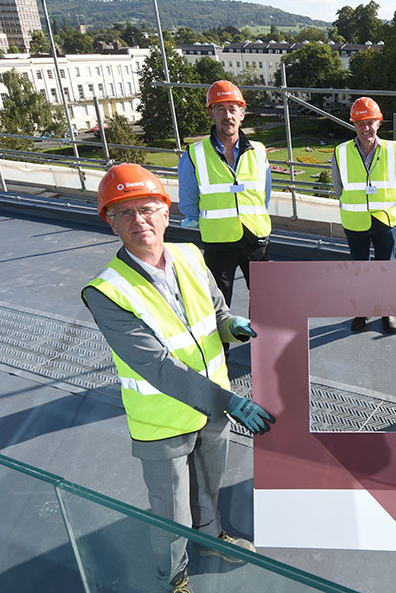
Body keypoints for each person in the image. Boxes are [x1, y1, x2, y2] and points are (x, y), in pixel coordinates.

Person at [82, 164, 275, 593]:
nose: (139, 220)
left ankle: (211, 539)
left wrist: (233, 327)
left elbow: (218, 314)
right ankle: (173, 578)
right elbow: (158, 366)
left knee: (209, 489)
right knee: (171, 514)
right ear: (111, 222)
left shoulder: (190, 256)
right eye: (125, 212)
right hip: (163, 421)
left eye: (147, 209)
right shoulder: (106, 291)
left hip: (212, 411)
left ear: (166, 213)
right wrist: (229, 401)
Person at [178, 80, 273, 310]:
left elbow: (265, 195)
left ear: (242, 113)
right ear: (211, 113)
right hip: (218, 242)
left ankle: (260, 334)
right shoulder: (194, 154)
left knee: (265, 300)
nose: (227, 115)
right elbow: (188, 203)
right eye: (220, 109)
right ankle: (223, 337)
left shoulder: (259, 151)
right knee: (218, 305)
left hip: (256, 239)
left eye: (232, 109)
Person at [332, 96, 396, 334]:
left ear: (379, 123)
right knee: (359, 269)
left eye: (370, 122)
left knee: (386, 268)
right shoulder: (341, 152)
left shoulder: (392, 150)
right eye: (360, 123)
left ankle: (387, 311)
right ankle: (361, 311)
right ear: (353, 124)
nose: (366, 128)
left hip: (385, 219)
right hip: (355, 221)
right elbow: (339, 188)